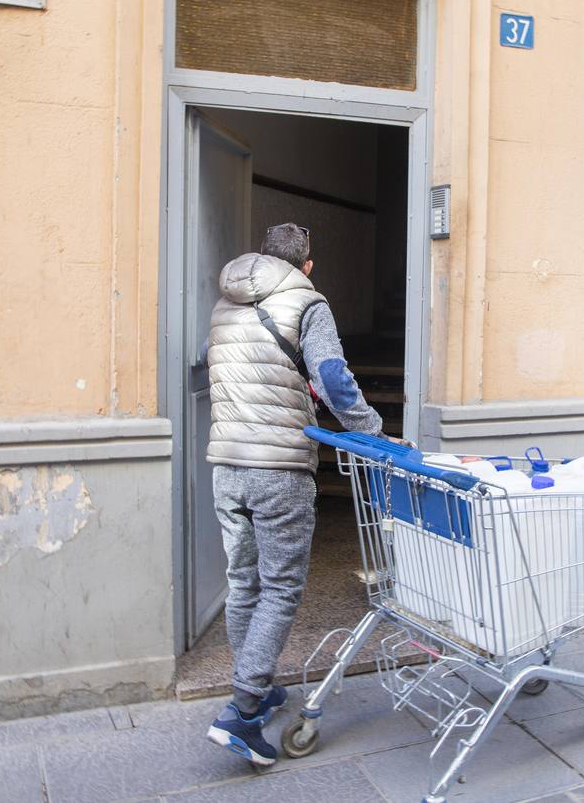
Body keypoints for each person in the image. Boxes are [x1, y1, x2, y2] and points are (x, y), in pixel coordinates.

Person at [203, 223, 393, 766]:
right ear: (305, 266)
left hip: (227, 462)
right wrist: (372, 431)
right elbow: (333, 379)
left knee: (244, 580)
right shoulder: (308, 303)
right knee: (281, 588)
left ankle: (255, 689)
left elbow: (226, 367)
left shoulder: (225, 304)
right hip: (278, 467)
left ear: (263, 259)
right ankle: (241, 713)